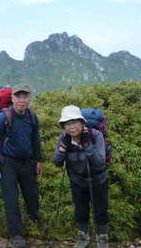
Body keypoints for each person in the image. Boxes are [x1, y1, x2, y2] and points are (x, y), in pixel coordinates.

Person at [0, 84, 43, 248]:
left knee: (32, 195)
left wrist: (39, 160)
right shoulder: (3, 117)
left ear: (29, 98)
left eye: (25, 96)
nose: (22, 100)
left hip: (27, 162)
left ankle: (35, 222)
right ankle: (16, 234)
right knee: (11, 199)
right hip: (8, 163)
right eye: (18, 96)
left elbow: (35, 139)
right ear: (12, 98)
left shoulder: (32, 116)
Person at [53, 105, 109, 248]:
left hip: (98, 180)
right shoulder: (63, 138)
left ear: (82, 122)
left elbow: (99, 163)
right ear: (63, 126)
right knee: (80, 209)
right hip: (77, 181)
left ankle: (102, 240)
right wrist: (63, 148)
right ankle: (82, 238)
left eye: (74, 122)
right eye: (67, 124)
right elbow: (57, 162)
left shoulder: (96, 135)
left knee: (100, 209)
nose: (71, 127)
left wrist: (87, 146)